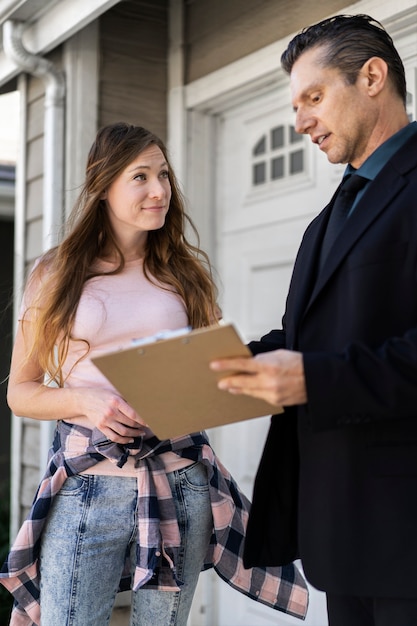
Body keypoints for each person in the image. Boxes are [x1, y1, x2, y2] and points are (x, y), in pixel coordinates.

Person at [0, 123, 307, 626]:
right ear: (103, 186)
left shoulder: (184, 274)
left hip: (180, 486)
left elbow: (205, 378)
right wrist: (88, 402)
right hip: (88, 490)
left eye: (163, 174)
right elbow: (21, 392)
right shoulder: (55, 274)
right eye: (140, 176)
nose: (159, 190)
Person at [210, 14, 417, 626]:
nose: (299, 120)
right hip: (342, 537)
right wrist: (213, 370)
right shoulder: (327, 218)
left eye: (313, 97)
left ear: (372, 77)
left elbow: (320, 368)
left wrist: (314, 381)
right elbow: (306, 343)